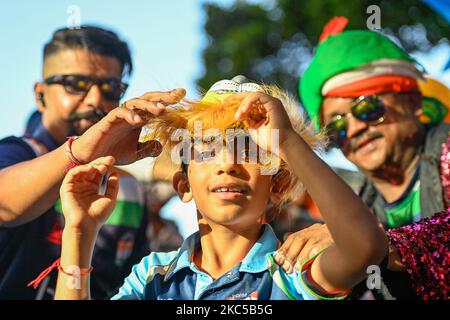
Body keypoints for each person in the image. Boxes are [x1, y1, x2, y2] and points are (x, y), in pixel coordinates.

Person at [54, 76, 388, 300]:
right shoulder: (153, 276)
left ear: (279, 183)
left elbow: (365, 248)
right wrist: (79, 234)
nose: (228, 164)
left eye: (251, 150)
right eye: (207, 150)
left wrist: (285, 140)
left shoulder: (294, 272)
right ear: (183, 185)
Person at [0, 26, 183, 299]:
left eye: (111, 88)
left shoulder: (128, 187)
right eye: (76, 84)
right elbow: (5, 204)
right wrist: (80, 153)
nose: (96, 99)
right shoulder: (17, 153)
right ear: (40, 94)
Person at [276, 17, 450, 299]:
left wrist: (366, 241)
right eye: (337, 125)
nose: (355, 128)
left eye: (367, 107)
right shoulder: (358, 206)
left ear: (411, 100)